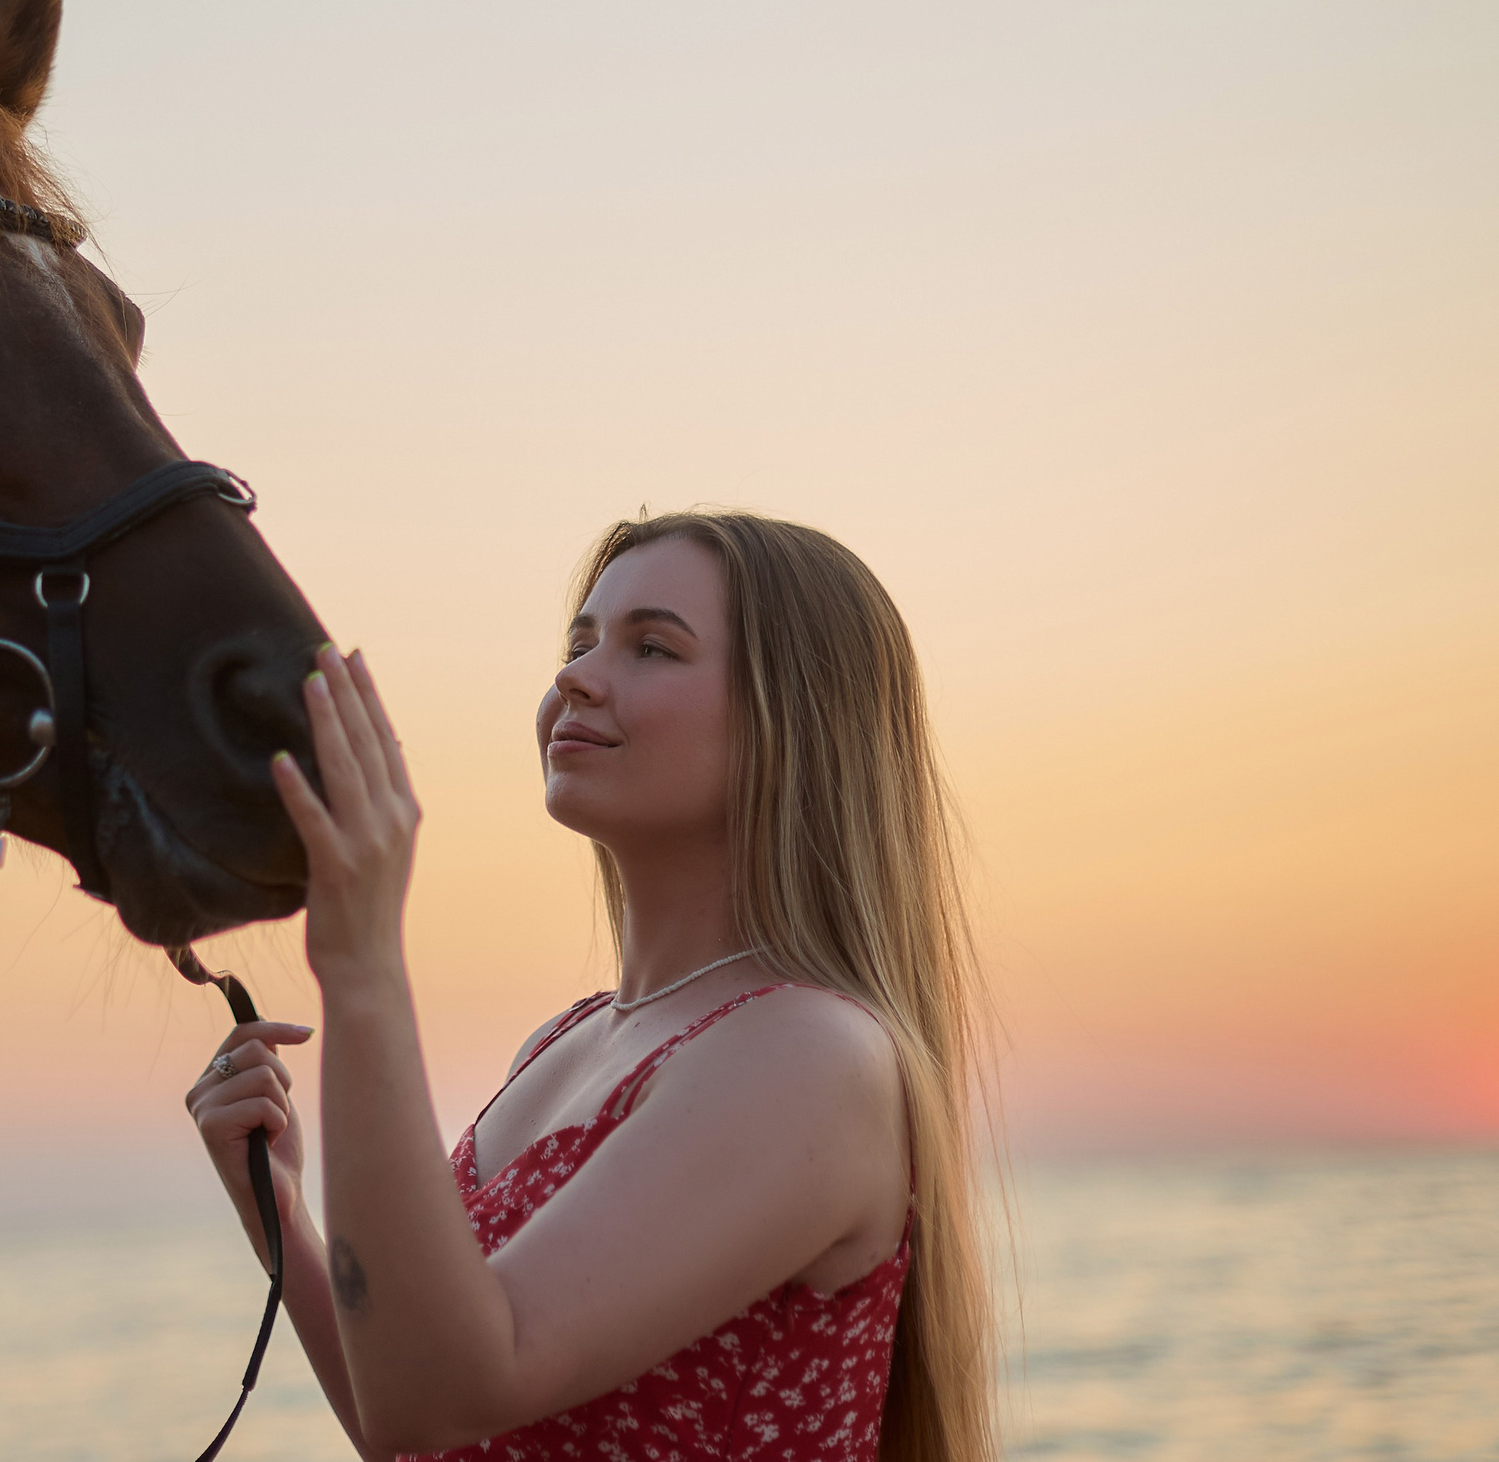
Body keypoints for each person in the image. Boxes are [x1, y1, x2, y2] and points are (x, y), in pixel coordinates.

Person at [185, 510, 996, 1462]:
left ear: (793, 720)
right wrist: (278, 1210)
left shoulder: (812, 1055)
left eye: (652, 646)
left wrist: (363, 965)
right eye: (579, 641)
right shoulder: (568, 1042)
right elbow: (409, 1416)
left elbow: (440, 1395)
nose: (574, 676)